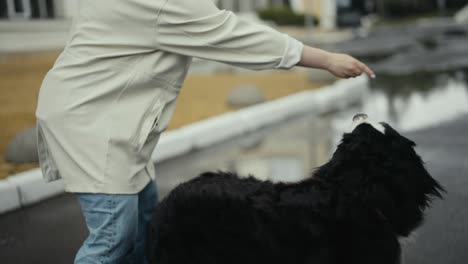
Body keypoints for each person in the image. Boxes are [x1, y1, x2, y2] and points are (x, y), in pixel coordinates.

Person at [35, 0, 375, 263]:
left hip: (111, 121)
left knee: (146, 226)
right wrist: (325, 59)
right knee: (114, 240)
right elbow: (236, 37)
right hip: (92, 122)